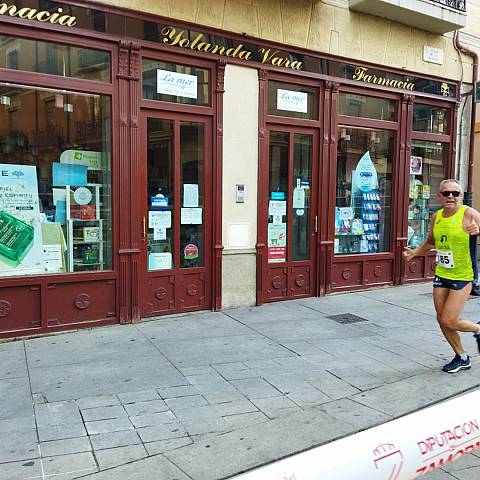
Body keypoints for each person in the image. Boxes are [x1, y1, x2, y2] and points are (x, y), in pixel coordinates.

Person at [403, 179, 480, 373]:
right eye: (446, 193)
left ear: (461, 196)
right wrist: (414, 253)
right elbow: (430, 242)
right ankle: (461, 356)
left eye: (455, 193)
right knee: (441, 318)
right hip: (442, 274)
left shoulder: (469, 213)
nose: (451, 197)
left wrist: (478, 230)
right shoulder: (436, 217)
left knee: (449, 319)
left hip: (463, 275)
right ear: (439, 196)